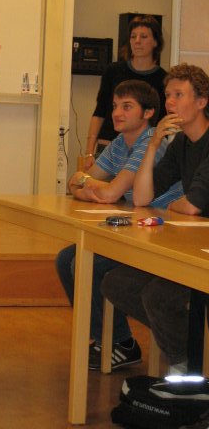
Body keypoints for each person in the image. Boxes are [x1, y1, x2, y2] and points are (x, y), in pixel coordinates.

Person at [57, 80, 182, 371]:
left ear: (148, 113)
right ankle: (107, 340)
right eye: (115, 106)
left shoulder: (150, 141)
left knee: (86, 263)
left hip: (162, 230)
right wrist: (88, 184)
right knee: (66, 259)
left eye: (127, 107)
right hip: (136, 225)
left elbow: (110, 192)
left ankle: (121, 343)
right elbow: (77, 181)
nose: (116, 113)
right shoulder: (120, 142)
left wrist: (88, 184)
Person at [101, 63, 209, 375]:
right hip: (193, 246)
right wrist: (153, 144)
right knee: (116, 283)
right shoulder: (181, 143)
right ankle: (189, 352)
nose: (170, 102)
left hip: (203, 252)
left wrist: (176, 204)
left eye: (179, 95)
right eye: (168, 95)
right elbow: (142, 197)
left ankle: (186, 367)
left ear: (201, 102)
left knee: (157, 296)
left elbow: (191, 206)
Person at [83, 15, 166, 171]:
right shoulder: (113, 71)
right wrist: (89, 152)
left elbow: (161, 123)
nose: (137, 41)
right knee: (91, 184)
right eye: (133, 37)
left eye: (143, 36)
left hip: (142, 150)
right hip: (108, 145)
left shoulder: (164, 79)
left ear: (155, 42)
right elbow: (99, 112)